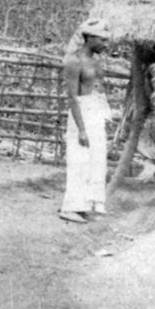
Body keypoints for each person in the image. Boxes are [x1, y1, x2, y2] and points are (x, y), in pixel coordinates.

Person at [59, 18, 111, 224]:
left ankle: (85, 204)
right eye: (103, 40)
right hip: (81, 112)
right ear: (90, 38)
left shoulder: (96, 61)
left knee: (96, 160)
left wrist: (105, 113)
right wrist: (81, 129)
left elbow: (98, 88)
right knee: (79, 158)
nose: (106, 45)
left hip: (96, 111)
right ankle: (70, 207)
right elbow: (72, 97)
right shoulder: (74, 62)